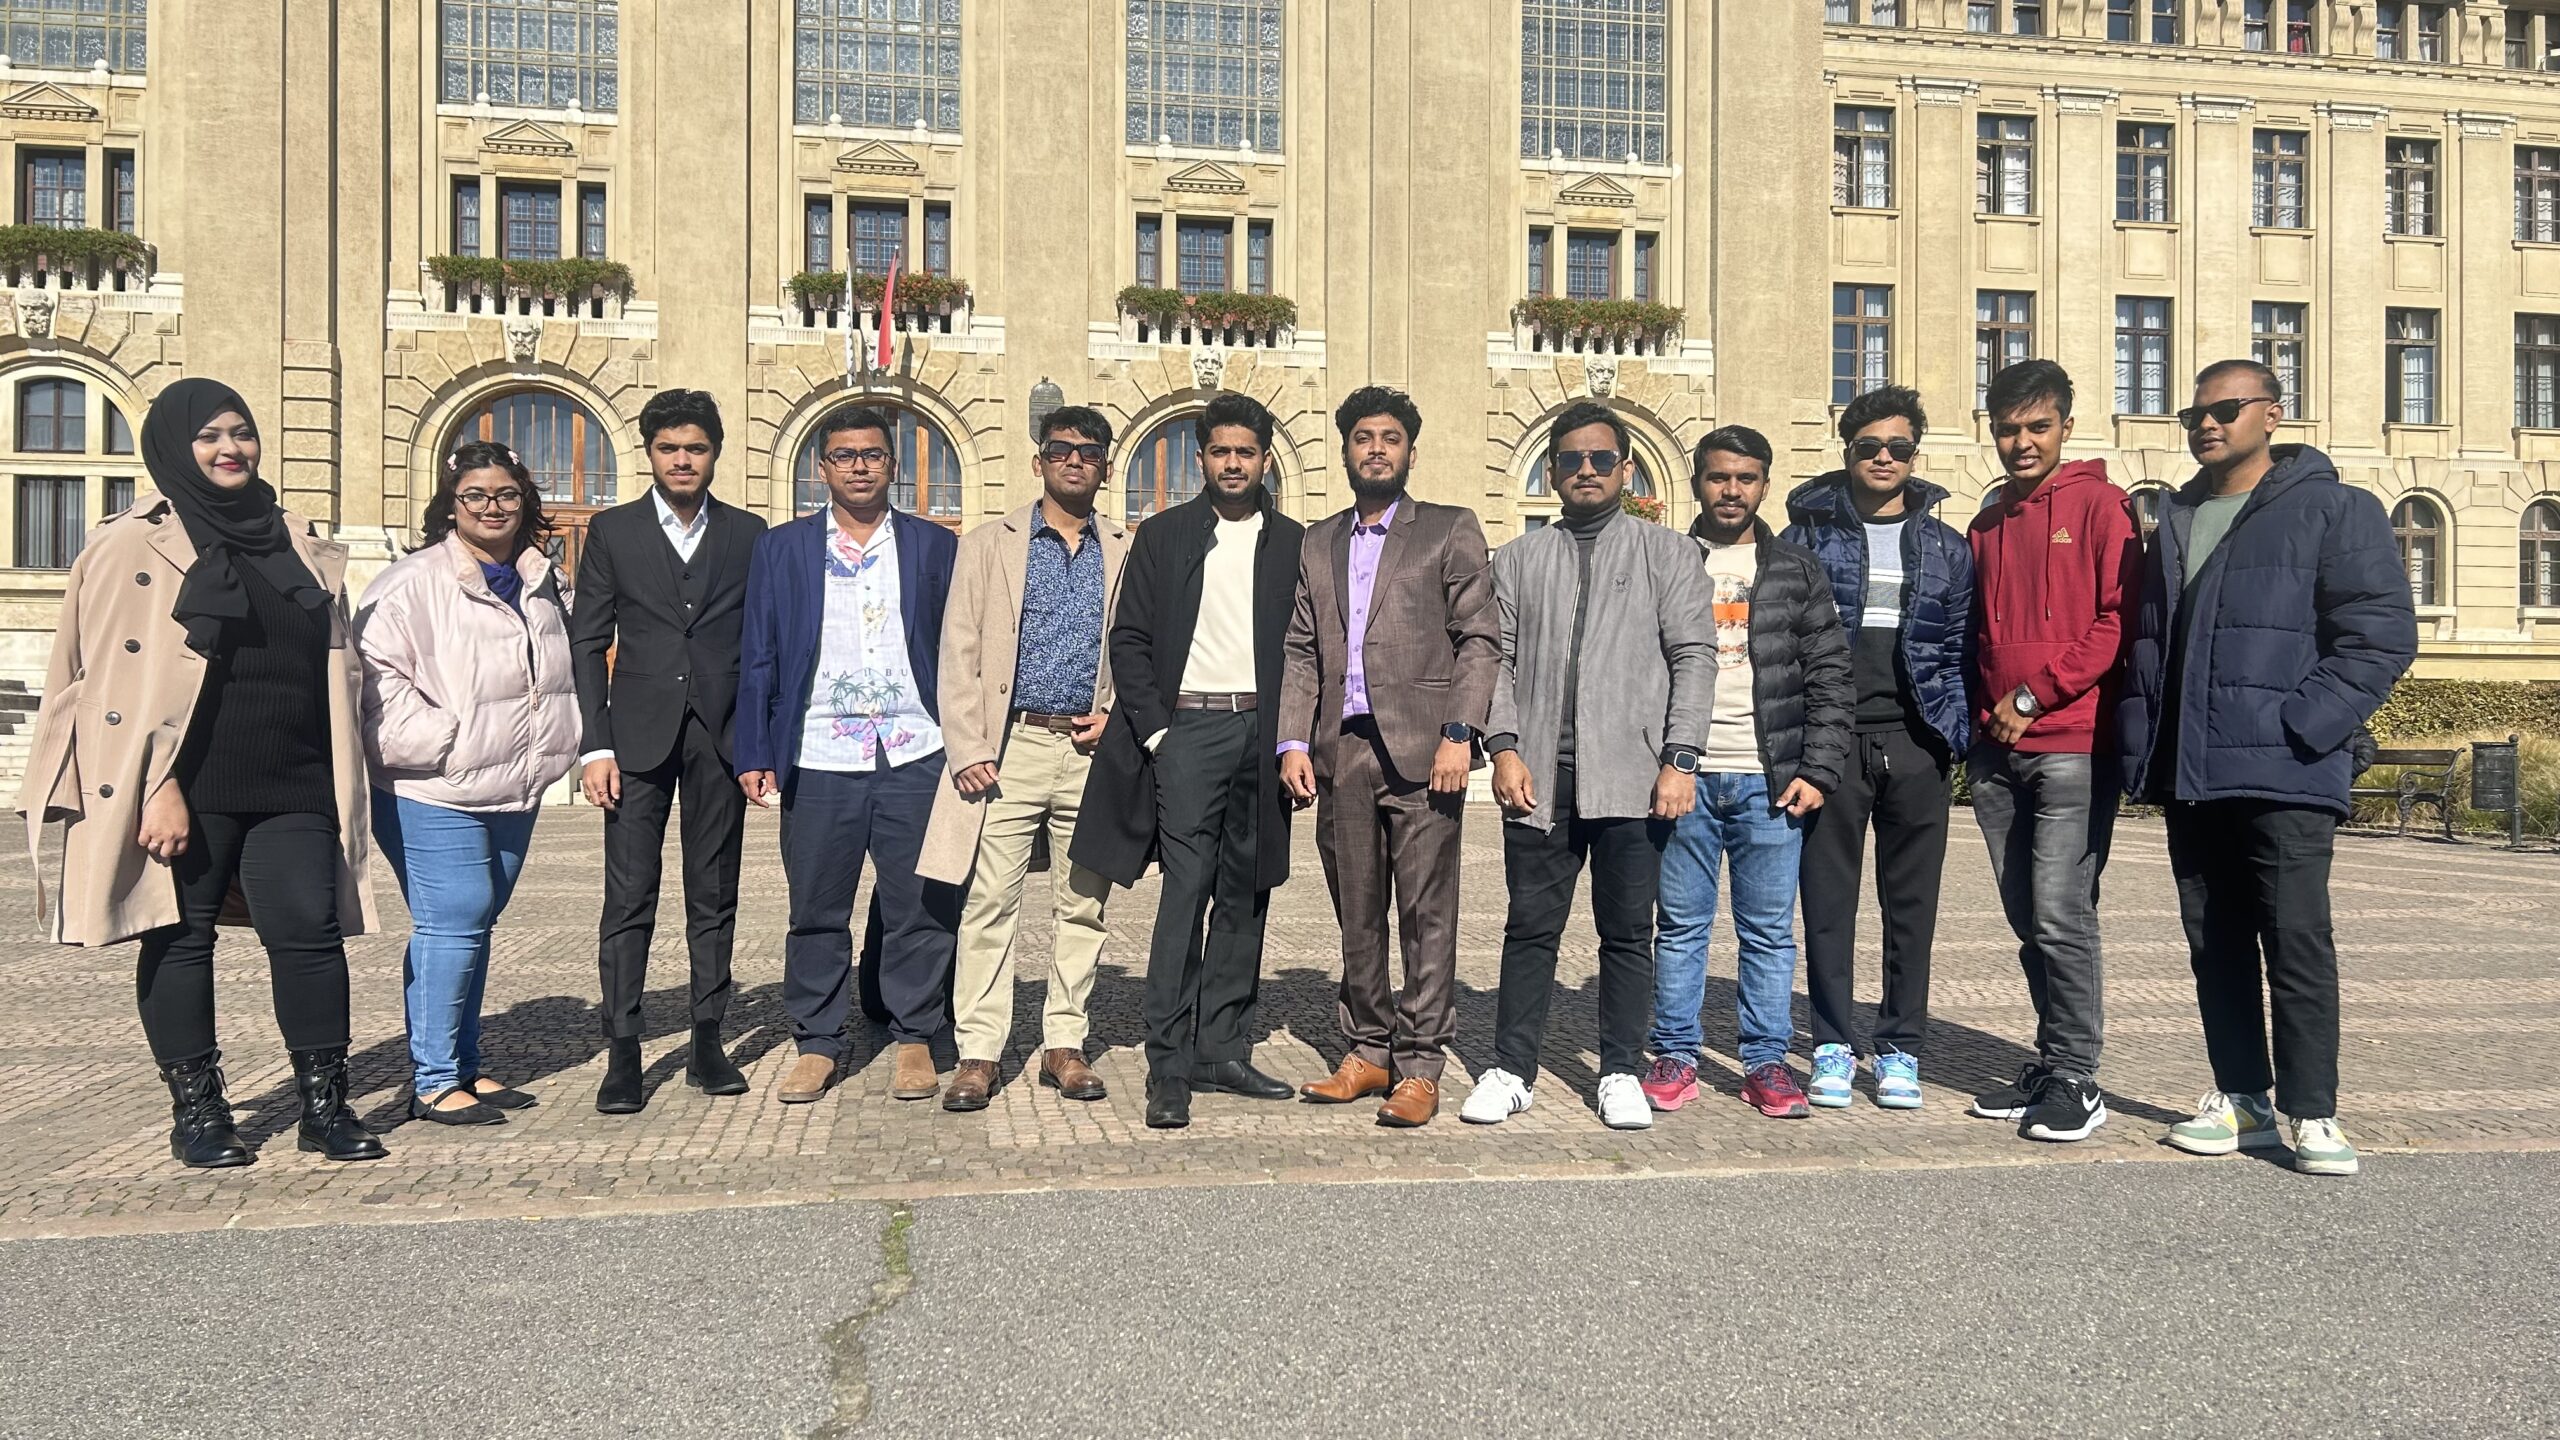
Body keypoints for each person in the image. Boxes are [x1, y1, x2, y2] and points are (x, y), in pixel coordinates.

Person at [16, 378, 383, 1167]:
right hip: (188, 782)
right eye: (210, 435)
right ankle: (200, 1113)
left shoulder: (294, 538)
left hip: (295, 775)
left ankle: (325, 1106)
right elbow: (102, 684)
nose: (230, 449)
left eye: (241, 432)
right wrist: (157, 786)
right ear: (175, 447)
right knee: (180, 939)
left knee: (310, 934)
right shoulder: (131, 544)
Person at [2122, 360, 2417, 1178]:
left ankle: (2314, 1111)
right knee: (2214, 943)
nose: (2207, 424)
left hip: (2285, 769)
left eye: (2226, 409)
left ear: (2273, 414)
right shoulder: (2177, 515)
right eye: (2194, 414)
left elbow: (2380, 633)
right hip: (2192, 769)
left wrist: (2305, 723)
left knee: (2296, 939)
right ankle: (2243, 1098)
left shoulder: (2334, 508)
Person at [1463, 400, 1715, 1132]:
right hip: (1540, 776)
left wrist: (1680, 758)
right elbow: (1498, 660)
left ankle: (1620, 1071)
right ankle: (1512, 1069)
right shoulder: (1518, 558)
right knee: (1529, 929)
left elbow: (1694, 657)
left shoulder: (1668, 553)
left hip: (1633, 776)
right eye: (1571, 459)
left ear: (1625, 469)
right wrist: (1503, 747)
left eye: (1601, 459)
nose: (1586, 470)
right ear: (1552, 471)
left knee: (1628, 933)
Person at [1071, 392, 1306, 1131]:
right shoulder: (1165, 534)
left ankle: (1222, 1050)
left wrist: (1293, 738)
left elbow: (1308, 647)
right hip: (1188, 732)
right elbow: (1129, 637)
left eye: (1246, 452)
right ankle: (1168, 1064)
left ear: (1264, 459)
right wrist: (1156, 735)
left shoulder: (1293, 543)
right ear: (1200, 458)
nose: (1233, 463)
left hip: (1261, 733)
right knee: (1186, 893)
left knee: (1246, 893)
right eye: (1220, 451)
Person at [1279, 386, 1499, 1129]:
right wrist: (1292, 740)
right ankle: (1368, 1049)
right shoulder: (1319, 541)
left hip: (1425, 752)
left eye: (1390, 438)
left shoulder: (1447, 528)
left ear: (1410, 451)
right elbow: (1301, 647)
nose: (1376, 449)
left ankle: (1421, 1064)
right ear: (1345, 449)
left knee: (1427, 915)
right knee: (1357, 913)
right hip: (1341, 751)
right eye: (1363, 438)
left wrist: (1459, 733)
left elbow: (1479, 639)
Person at [739, 404, 960, 1105]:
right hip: (819, 753)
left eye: (872, 454)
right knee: (816, 908)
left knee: (920, 905)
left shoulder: (934, 546)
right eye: (844, 455)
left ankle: (915, 1034)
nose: (859, 466)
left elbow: (961, 647)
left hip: (915, 750)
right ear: (822, 467)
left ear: (892, 464)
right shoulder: (782, 548)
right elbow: (759, 652)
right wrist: (754, 751)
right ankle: (817, 1041)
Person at [357, 441, 580, 1125]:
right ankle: (432, 1080)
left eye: (506, 494)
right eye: (475, 495)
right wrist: (440, 740)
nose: (492, 507)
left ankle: (464, 1064)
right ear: (451, 505)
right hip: (433, 786)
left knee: (475, 923)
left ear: (524, 501)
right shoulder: (410, 582)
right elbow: (373, 679)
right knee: (453, 919)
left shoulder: (544, 578)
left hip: (515, 782)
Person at [918, 405, 1128, 1111]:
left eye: (1088, 452)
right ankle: (979, 1052)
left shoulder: (1123, 548)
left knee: (1084, 904)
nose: (1074, 461)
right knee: (988, 904)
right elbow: (958, 650)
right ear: (1039, 461)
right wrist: (967, 745)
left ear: (1105, 467)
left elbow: (1136, 647)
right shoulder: (989, 544)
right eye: (1061, 449)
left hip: (1088, 750)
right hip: (1007, 749)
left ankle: (1064, 1044)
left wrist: (1117, 718)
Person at [1643, 425, 1851, 1120]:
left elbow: (1829, 673)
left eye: (1746, 478)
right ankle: (1675, 1052)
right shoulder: (1667, 558)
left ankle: (1765, 1060)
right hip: (1686, 778)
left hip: (1770, 779)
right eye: (1718, 477)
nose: (1731, 490)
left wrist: (1818, 769)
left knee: (1767, 933)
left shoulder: (1796, 567)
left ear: (1764, 484)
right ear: (1697, 482)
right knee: (1681, 927)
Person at [571, 387, 767, 1114]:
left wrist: (758, 743)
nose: (682, 460)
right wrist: (594, 745)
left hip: (720, 735)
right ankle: (623, 1048)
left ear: (715, 453)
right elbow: (587, 641)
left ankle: (707, 1040)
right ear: (650, 453)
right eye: (669, 448)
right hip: (635, 736)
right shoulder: (613, 531)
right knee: (629, 897)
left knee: (713, 891)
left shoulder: (748, 534)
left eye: (695, 448)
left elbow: (763, 644)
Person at [1962, 359, 2142, 1144]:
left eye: (2038, 427)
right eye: (2008, 429)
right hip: (1997, 752)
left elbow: (2116, 622)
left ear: (2067, 426)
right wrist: (1981, 718)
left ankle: (2077, 1075)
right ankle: (2050, 1060)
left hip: (2071, 744)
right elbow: (1973, 635)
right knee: (2026, 916)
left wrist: (2034, 695)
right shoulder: (1986, 524)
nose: (2022, 442)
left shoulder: (2103, 505)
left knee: (2062, 912)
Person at [1781, 386, 1973, 1112]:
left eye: (1898, 447)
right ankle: (1832, 1044)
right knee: (1828, 905)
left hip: (1917, 744)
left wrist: (1951, 733)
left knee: (1911, 909)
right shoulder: (1804, 538)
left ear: (1914, 454)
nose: (1884, 458)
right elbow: (1785, 644)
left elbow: (1959, 648)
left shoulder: (1946, 547)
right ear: (1848, 450)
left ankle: (1900, 1048)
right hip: (1831, 746)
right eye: (1870, 446)